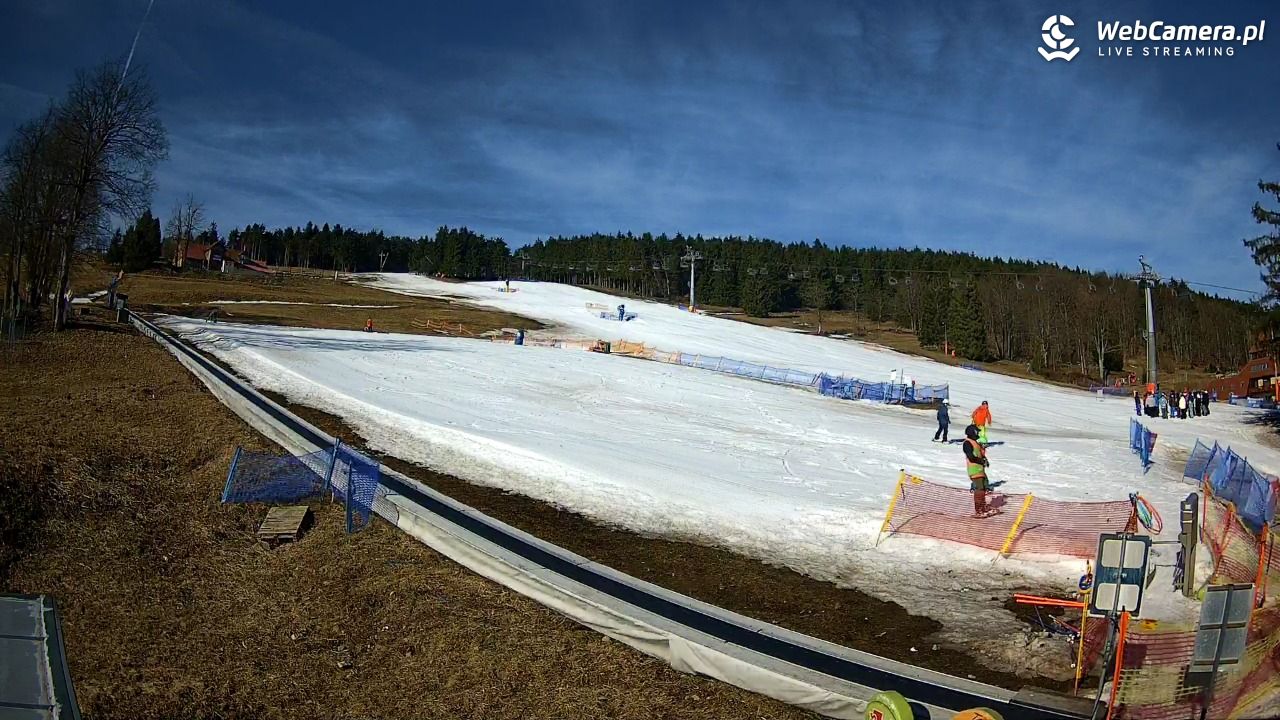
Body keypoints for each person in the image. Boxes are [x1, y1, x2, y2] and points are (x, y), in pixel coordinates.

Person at [963, 424, 994, 517]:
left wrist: (984, 460)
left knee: (984, 487)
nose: (978, 434)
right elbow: (971, 457)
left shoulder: (975, 442)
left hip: (980, 469)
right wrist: (981, 460)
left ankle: (983, 507)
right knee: (979, 488)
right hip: (974, 469)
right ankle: (979, 510)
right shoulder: (967, 443)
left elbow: (980, 454)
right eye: (977, 432)